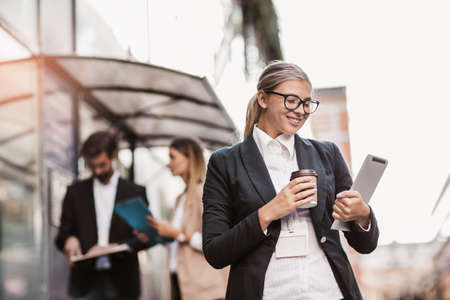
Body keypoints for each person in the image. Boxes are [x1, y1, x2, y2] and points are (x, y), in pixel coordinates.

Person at [202, 61, 379, 300]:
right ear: (263, 99)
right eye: (291, 100)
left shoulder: (327, 154)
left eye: (307, 103)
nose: (301, 110)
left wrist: (362, 215)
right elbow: (215, 252)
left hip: (328, 291)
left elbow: (365, 245)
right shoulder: (225, 162)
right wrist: (271, 211)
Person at [55, 131, 150, 300]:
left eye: (102, 165)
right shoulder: (74, 192)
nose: (97, 171)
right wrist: (69, 239)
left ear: (113, 156)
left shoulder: (134, 192)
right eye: (93, 166)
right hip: (84, 283)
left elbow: (145, 237)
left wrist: (114, 247)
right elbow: (62, 234)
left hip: (123, 283)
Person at [136, 137, 228, 300]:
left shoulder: (205, 193)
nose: (168, 163)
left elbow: (217, 243)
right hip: (180, 281)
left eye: (173, 157)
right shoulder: (180, 198)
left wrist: (177, 234)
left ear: (190, 158)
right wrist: (155, 235)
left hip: (204, 288)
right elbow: (176, 240)